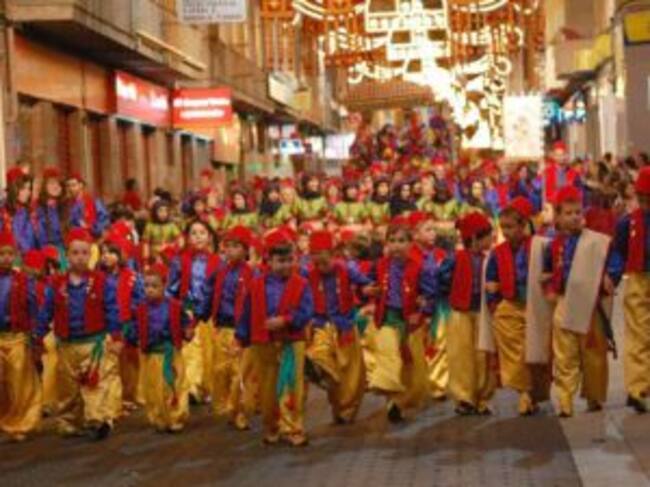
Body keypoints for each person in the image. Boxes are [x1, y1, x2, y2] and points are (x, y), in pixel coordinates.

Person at [36, 228, 121, 440]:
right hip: (66, 344)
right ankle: (69, 421)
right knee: (68, 388)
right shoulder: (56, 283)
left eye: (84, 253)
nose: (80, 257)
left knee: (95, 384)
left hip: (94, 343)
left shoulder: (102, 281)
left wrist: (117, 336)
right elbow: (46, 310)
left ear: (90, 255)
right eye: (75, 253)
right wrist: (37, 335)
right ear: (67, 255)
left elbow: (112, 309)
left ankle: (97, 421)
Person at [542, 186, 616, 417]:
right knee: (564, 354)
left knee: (593, 353)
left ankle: (594, 395)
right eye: (568, 213)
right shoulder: (552, 244)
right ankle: (565, 398)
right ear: (557, 216)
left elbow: (612, 259)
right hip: (564, 302)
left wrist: (610, 276)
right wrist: (548, 287)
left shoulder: (595, 241)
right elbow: (546, 272)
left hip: (590, 304)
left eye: (577, 212)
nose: (574, 217)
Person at [236, 228, 314, 446]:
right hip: (263, 343)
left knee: (291, 385)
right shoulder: (256, 285)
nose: (286, 265)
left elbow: (307, 311)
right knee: (268, 389)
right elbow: (247, 313)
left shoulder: (301, 284)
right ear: (269, 261)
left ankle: (294, 428)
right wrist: (241, 338)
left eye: (290, 260)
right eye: (281, 261)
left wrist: (286, 320)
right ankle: (272, 426)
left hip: (292, 342)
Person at [485, 197, 551, 415]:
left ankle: (534, 394)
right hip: (510, 305)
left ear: (523, 225)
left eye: (510, 227)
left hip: (536, 305)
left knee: (537, 351)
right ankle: (523, 391)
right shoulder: (497, 252)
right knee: (514, 351)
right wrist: (492, 291)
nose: (505, 232)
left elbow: (552, 268)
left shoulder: (539, 246)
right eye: (502, 227)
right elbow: (491, 278)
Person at [367, 218, 437, 423]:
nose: (396, 245)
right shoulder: (380, 266)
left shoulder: (419, 268)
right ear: (386, 243)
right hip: (387, 319)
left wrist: (422, 310)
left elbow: (430, 295)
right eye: (392, 240)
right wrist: (368, 291)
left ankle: (397, 403)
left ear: (410, 243)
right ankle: (386, 387)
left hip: (410, 323)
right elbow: (369, 286)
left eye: (401, 241)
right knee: (388, 354)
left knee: (410, 368)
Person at [304, 230, 374, 425]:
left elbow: (365, 284)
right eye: (314, 257)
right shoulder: (307, 273)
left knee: (351, 374)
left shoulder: (347, 269)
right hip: (321, 325)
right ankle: (322, 375)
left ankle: (345, 411)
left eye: (322, 256)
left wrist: (367, 291)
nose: (319, 263)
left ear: (333, 254)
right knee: (319, 357)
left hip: (345, 327)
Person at [439, 211, 497, 415]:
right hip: (460, 313)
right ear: (474, 238)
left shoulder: (489, 259)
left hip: (482, 312)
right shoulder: (456, 258)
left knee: (483, 354)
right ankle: (464, 397)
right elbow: (442, 279)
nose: (492, 239)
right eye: (488, 236)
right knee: (460, 355)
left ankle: (482, 396)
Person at [201, 225, 256, 430]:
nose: (230, 250)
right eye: (228, 246)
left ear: (245, 250)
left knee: (239, 373)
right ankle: (226, 407)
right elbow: (208, 295)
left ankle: (240, 411)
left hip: (241, 331)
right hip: (221, 328)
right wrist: (199, 315)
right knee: (220, 370)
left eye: (236, 246)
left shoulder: (251, 274)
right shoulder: (220, 272)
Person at [128, 264, 193, 433]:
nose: (150, 290)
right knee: (152, 388)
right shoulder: (140, 309)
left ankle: (175, 417)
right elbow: (134, 328)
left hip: (171, 354)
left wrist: (187, 332)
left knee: (174, 385)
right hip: (151, 355)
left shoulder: (175, 306)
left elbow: (185, 323)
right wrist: (132, 338)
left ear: (164, 285)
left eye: (154, 286)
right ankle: (158, 418)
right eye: (146, 286)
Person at [166, 220, 220, 404]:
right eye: (194, 233)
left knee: (210, 352)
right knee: (191, 352)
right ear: (187, 238)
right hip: (188, 312)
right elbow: (171, 289)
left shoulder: (217, 262)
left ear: (210, 236)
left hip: (210, 314)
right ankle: (192, 388)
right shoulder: (179, 262)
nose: (198, 237)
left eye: (202, 233)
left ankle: (208, 387)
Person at [611, 166, 650, 413]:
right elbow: (618, 251)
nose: (645, 204)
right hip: (637, 281)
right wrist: (613, 275)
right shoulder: (628, 223)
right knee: (638, 335)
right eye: (642, 198)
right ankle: (637, 388)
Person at [0, 235, 42, 442]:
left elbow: (33, 309)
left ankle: (19, 423)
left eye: (10, 254)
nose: (6, 258)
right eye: (2, 254)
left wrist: (34, 335)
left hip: (17, 336)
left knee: (18, 381)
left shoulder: (23, 280)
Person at [100, 234, 145, 416]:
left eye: (111, 252)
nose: (105, 256)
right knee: (111, 365)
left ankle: (129, 396)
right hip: (107, 326)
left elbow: (140, 301)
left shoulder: (133, 277)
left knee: (129, 363)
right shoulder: (98, 278)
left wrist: (130, 313)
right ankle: (114, 400)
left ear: (120, 255)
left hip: (127, 325)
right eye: (103, 252)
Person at [2, 167, 38, 255]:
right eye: (23, 188)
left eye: (29, 189)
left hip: (29, 257)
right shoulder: (3, 213)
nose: (28, 192)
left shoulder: (29, 212)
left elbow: (32, 241)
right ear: (14, 189)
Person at [66, 173, 110, 238]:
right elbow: (71, 223)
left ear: (81, 185)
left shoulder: (93, 200)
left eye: (73, 185)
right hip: (77, 236)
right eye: (69, 186)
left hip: (93, 236)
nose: (71, 188)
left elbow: (104, 218)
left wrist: (91, 228)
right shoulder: (69, 204)